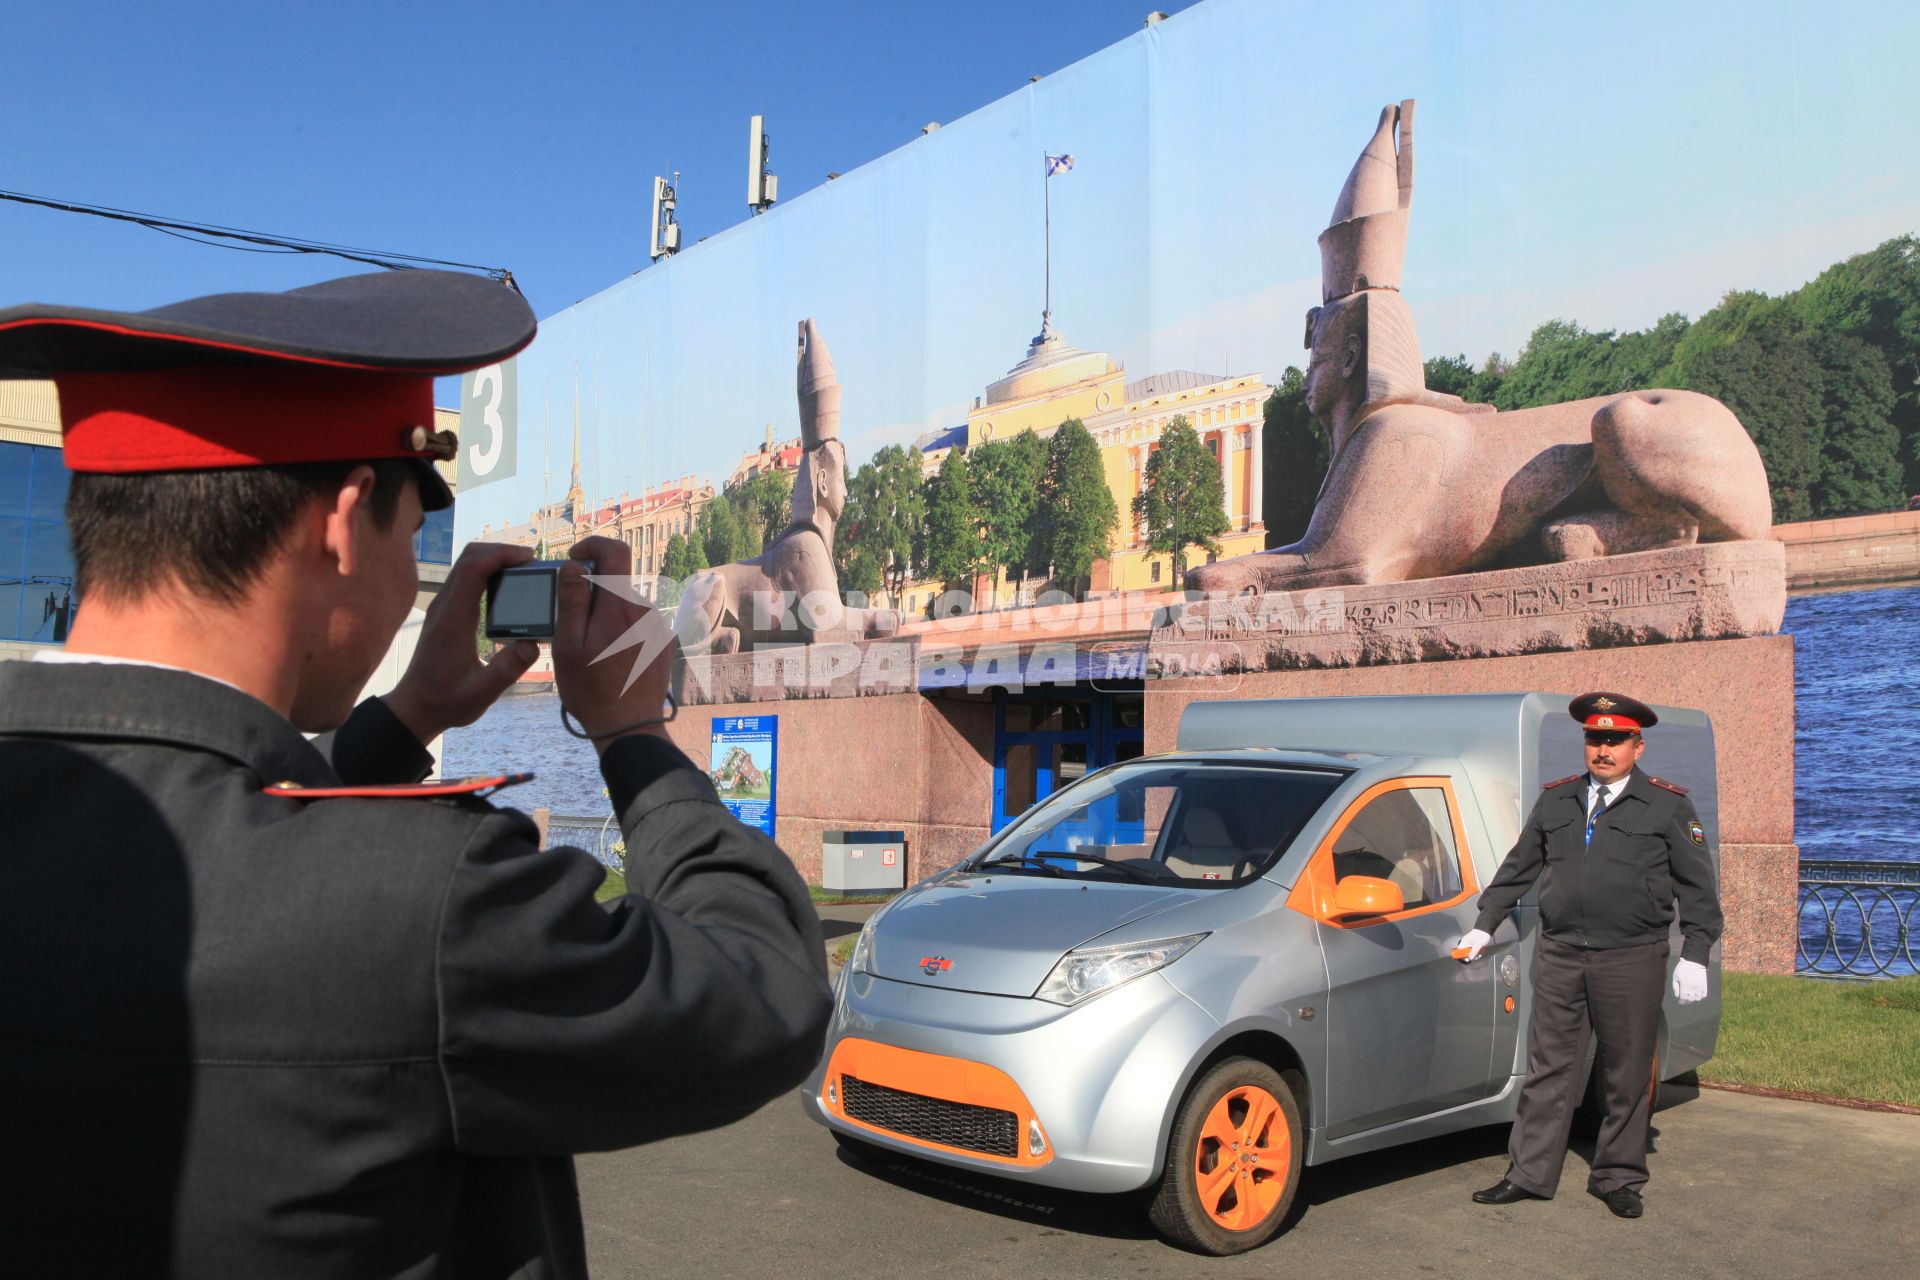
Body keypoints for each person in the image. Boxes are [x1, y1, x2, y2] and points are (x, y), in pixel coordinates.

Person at [0, 270, 833, 1277]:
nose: (410, 583)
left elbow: (227, 822)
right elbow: (768, 991)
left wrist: (407, 718)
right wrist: (633, 734)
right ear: (345, 523)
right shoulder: (425, 905)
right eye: (413, 535)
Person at [1457, 691, 1721, 1220]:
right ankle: (1529, 1173)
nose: (1603, 749)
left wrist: (1694, 953)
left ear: (1637, 746)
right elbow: (1518, 868)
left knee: (1623, 1071)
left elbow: (1698, 888)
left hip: (1631, 957)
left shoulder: (1668, 805)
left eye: (1615, 740)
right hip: (1560, 955)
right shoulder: (1557, 801)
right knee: (1548, 1067)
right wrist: (1485, 925)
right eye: (1595, 739)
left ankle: (1618, 1177)